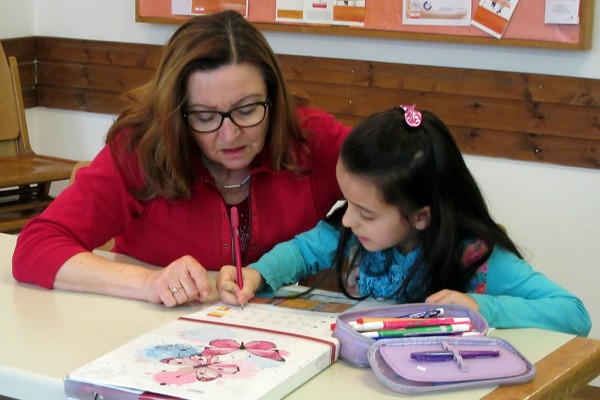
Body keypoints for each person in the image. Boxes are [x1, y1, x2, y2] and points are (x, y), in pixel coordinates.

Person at [12, 10, 350, 307]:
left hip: (282, 342)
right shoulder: (141, 147)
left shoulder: (309, 138)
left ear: (272, 99)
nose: (230, 135)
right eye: (204, 117)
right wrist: (147, 282)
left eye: (247, 110)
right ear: (177, 112)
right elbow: (36, 248)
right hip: (152, 335)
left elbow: (398, 183)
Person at [217, 105, 592, 336]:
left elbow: (573, 314)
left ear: (421, 217)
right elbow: (301, 251)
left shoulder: (472, 256)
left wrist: (482, 308)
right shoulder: (353, 234)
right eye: (347, 202)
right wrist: (258, 274)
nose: (347, 221)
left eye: (365, 212)